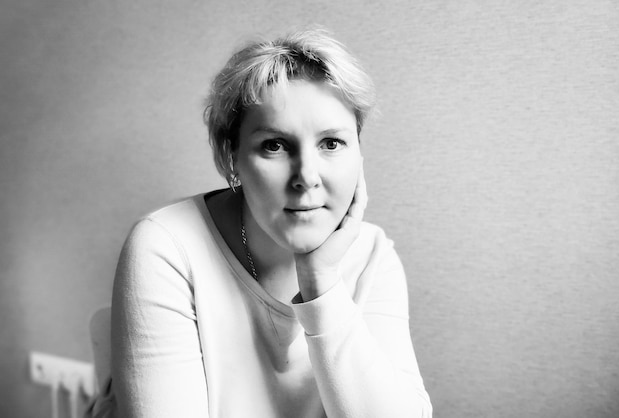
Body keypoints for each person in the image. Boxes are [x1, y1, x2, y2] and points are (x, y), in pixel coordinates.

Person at [91, 28, 432, 418]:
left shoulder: (373, 254)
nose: (307, 176)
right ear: (231, 156)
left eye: (331, 143)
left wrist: (319, 283)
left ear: (359, 154)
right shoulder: (165, 246)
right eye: (274, 145)